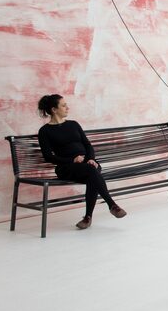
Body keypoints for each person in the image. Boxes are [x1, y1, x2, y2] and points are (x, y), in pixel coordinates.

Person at [37, 94, 127, 229]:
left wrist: (91, 159)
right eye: (63, 105)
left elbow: (88, 145)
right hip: (66, 167)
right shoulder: (45, 131)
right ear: (54, 109)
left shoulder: (73, 124)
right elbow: (48, 157)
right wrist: (72, 160)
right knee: (93, 173)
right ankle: (111, 204)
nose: (67, 108)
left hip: (87, 164)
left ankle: (88, 218)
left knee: (92, 172)